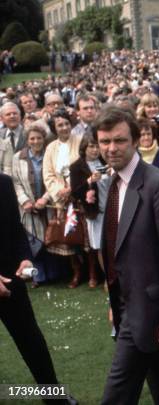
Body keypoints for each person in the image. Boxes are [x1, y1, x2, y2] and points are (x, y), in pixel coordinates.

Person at [93, 106, 159, 404]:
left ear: (136, 140)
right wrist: (117, 301)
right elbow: (120, 252)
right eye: (104, 142)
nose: (111, 148)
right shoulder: (114, 182)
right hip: (130, 307)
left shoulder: (158, 185)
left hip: (151, 312)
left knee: (117, 393)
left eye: (119, 141)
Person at [0, 173, 78, 405]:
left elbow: (15, 229)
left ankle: (55, 397)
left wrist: (25, 258)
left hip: (11, 278)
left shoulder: (4, 183)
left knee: (31, 340)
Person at [11, 125, 58, 286]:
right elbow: (16, 182)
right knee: (33, 241)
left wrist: (45, 199)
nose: (36, 141)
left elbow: (55, 179)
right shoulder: (18, 157)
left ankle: (53, 273)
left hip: (48, 205)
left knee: (50, 238)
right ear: (27, 140)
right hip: (28, 206)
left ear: (44, 139)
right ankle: (37, 276)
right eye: (32, 138)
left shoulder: (50, 155)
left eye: (39, 138)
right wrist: (24, 200)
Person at [42, 109, 83, 288]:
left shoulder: (81, 140)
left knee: (86, 236)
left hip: (80, 194)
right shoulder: (51, 148)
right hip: (62, 199)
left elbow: (85, 166)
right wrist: (60, 191)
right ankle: (76, 272)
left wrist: (72, 189)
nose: (64, 127)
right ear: (55, 128)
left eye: (66, 123)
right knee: (68, 237)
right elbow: (48, 174)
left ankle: (93, 272)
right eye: (60, 125)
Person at [69, 134, 107, 288]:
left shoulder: (106, 161)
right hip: (95, 212)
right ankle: (108, 278)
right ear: (84, 148)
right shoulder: (77, 166)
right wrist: (89, 181)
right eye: (91, 146)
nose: (95, 150)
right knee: (100, 246)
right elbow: (75, 192)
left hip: (112, 207)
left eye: (97, 146)